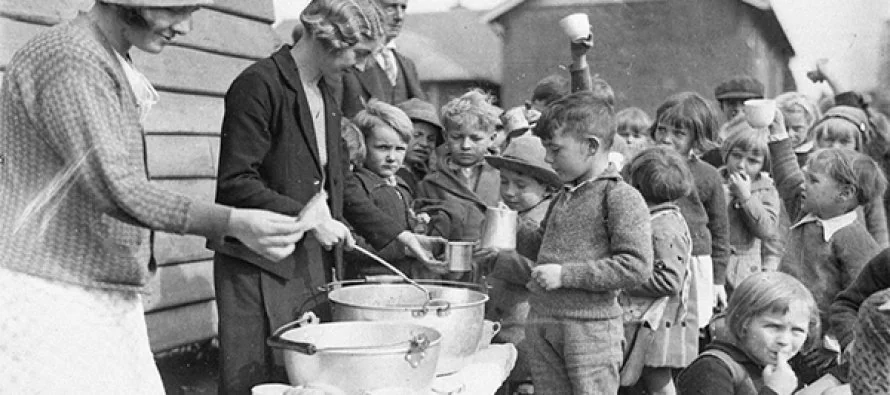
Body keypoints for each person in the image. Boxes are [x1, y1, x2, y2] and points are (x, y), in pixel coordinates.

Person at [0, 1, 313, 393]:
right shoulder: (71, 59)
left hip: (86, 282)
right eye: (176, 11)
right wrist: (232, 221)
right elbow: (116, 185)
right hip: (49, 288)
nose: (185, 29)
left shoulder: (104, 55)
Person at [209, 1, 443, 392]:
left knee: (305, 379)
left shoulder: (325, 95)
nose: (363, 65)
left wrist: (401, 236)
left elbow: (343, 184)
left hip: (307, 264)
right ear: (327, 37)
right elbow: (235, 182)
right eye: (360, 53)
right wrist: (309, 217)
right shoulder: (259, 84)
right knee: (254, 381)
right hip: (257, 266)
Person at [493, 91, 654, 394]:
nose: (548, 159)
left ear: (591, 146)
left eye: (555, 150)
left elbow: (636, 267)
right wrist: (512, 226)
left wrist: (565, 275)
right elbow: (544, 247)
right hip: (543, 324)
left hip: (589, 331)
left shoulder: (619, 197)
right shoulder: (564, 195)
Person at [767, 108, 885, 385]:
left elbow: (859, 299)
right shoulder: (807, 210)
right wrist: (778, 135)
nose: (802, 185)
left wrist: (832, 342)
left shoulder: (852, 239)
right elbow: (787, 177)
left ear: (844, 194)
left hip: (820, 348)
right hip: (789, 326)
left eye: (813, 180)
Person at [479, 134, 562, 395]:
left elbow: (544, 271)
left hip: (526, 326)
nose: (509, 191)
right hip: (500, 321)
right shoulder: (506, 214)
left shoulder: (546, 221)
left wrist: (498, 261)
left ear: (547, 188)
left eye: (521, 185)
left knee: (524, 384)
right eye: (504, 182)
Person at [651, 92, 731, 329]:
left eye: (678, 133)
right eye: (662, 130)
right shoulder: (641, 167)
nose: (666, 139)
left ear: (697, 139)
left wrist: (718, 281)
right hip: (653, 261)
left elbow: (719, 231)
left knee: (688, 326)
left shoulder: (708, 175)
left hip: (694, 263)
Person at [620, 147, 696, 395]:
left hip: (659, 322)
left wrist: (622, 277)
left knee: (657, 379)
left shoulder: (664, 228)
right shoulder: (657, 218)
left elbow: (669, 280)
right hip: (645, 318)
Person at [676, 272, 820, 395]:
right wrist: (774, 391)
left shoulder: (781, 372)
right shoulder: (712, 369)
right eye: (773, 327)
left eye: (797, 330)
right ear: (744, 323)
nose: (784, 340)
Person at [342, 99, 418, 279]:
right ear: (363, 145)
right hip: (366, 281)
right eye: (383, 148)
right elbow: (351, 243)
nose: (392, 157)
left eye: (399, 149)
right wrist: (403, 248)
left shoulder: (401, 184)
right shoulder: (355, 185)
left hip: (402, 279)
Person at [415, 89, 502, 243]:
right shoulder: (431, 183)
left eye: (476, 138)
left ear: (492, 138)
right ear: (445, 136)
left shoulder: (504, 177)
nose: (465, 146)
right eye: (457, 137)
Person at [334, 0, 425, 118]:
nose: (399, 16)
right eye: (390, 7)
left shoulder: (407, 65)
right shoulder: (346, 60)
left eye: (403, 8)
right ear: (371, 7)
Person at [719, 127, 781, 294]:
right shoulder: (714, 182)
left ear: (763, 165)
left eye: (752, 161)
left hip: (745, 270)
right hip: (713, 265)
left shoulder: (766, 190)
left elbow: (767, 230)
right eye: (736, 156)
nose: (741, 165)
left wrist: (746, 197)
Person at [395, 98, 443, 192]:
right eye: (417, 135)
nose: (424, 144)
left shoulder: (425, 175)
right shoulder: (389, 175)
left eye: (431, 139)